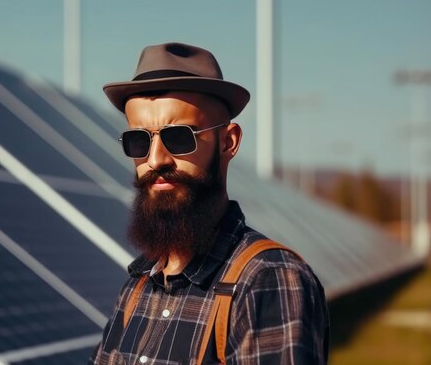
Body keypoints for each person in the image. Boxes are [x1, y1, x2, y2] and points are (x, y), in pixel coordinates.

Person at [88, 42, 329, 365]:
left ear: (228, 142)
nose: (156, 159)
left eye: (179, 137)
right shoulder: (138, 287)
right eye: (139, 141)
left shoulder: (266, 279)